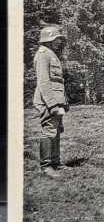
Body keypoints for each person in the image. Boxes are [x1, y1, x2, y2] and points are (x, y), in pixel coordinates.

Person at [33, 25, 71, 179]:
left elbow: (57, 82)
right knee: (49, 130)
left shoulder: (51, 54)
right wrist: (53, 105)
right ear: (48, 40)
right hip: (48, 101)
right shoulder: (43, 54)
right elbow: (44, 82)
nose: (59, 42)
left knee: (56, 131)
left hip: (56, 100)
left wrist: (63, 102)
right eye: (56, 39)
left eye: (60, 39)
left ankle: (56, 162)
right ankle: (46, 166)